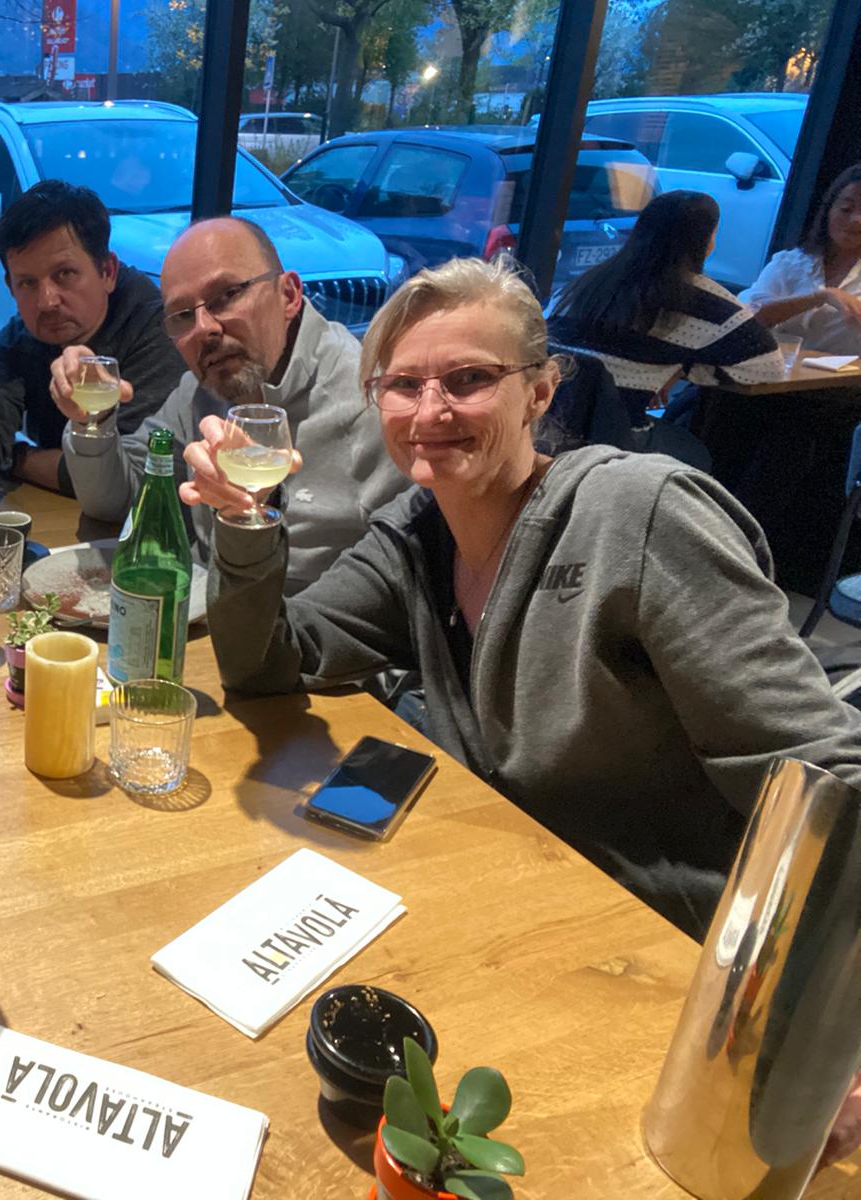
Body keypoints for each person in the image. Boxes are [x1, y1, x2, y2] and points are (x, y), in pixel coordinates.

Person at [192, 256, 861, 940]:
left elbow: (825, 780)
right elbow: (264, 663)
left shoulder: (639, 514)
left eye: (470, 379)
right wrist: (245, 520)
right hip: (505, 900)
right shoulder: (413, 539)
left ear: (540, 392)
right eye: (402, 385)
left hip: (662, 939)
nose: (430, 411)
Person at [59, 217, 408, 594]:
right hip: (197, 613)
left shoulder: (375, 408)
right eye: (182, 315)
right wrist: (92, 418)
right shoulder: (199, 391)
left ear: (288, 295)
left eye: (227, 295)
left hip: (297, 626)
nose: (204, 328)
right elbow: (116, 501)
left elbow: (404, 592)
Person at [0, 180, 185, 495]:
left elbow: (116, 474)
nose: (47, 301)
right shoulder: (16, 342)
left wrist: (16, 458)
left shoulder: (160, 331)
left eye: (64, 274)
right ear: (10, 287)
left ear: (108, 271)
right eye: (28, 283)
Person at [547, 190, 784, 413]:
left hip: (549, 421)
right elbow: (768, 367)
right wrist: (682, 368)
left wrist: (672, 367)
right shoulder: (706, 304)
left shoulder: (587, 283)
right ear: (705, 241)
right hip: (617, 432)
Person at [740, 163, 861, 355]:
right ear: (829, 209)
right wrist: (818, 297)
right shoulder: (791, 263)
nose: (856, 219)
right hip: (773, 369)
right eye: (846, 209)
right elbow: (744, 317)